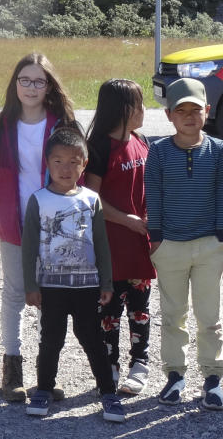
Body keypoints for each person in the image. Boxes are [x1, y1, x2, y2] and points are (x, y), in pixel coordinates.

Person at [0, 52, 76, 402]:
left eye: (39, 81)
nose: (32, 87)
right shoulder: (2, 124)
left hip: (57, 225)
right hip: (15, 222)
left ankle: (46, 374)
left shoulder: (62, 123)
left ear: (49, 85)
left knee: (51, 296)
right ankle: (13, 370)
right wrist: (0, 207)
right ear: (15, 84)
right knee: (14, 294)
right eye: (25, 80)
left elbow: (77, 169)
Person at [22, 128, 126, 423]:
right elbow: (29, 246)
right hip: (51, 287)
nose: (65, 169)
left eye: (73, 162)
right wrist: (31, 285)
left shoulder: (91, 199)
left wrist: (106, 281)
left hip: (87, 286)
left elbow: (102, 244)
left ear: (84, 163)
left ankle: (108, 393)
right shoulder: (38, 200)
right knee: (51, 339)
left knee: (92, 337)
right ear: (47, 163)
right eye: (58, 162)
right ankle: (43, 389)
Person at [144, 78, 223, 409]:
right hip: (170, 247)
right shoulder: (159, 151)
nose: (188, 116)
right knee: (172, 314)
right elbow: (153, 197)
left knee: (209, 317)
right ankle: (175, 376)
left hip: (209, 247)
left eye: (195, 109)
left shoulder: (220, 150)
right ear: (169, 115)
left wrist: (221, 240)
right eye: (180, 110)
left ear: (207, 111)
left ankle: (212, 378)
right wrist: (156, 241)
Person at [85, 78, 155, 395]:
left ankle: (139, 363)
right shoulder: (98, 146)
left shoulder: (140, 140)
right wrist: (126, 219)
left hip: (141, 244)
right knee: (108, 314)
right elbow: (90, 197)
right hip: (110, 246)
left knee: (140, 309)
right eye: (139, 105)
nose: (143, 110)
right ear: (124, 109)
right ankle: (109, 367)